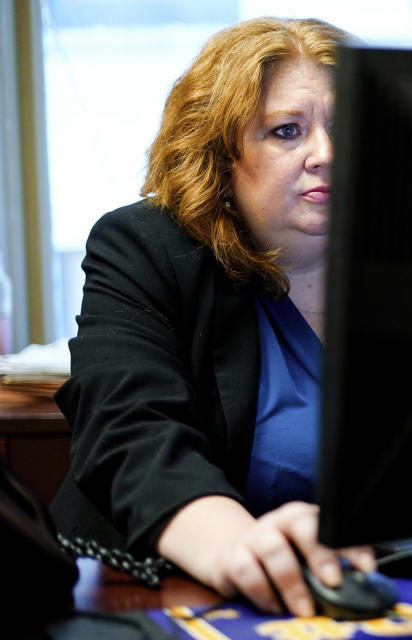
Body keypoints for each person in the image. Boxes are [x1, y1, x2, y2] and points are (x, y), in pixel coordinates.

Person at [50, 17, 374, 619]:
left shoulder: (409, 263)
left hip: (371, 588)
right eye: (286, 131)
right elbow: (129, 431)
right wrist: (236, 545)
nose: (326, 155)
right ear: (221, 159)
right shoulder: (144, 247)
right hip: (156, 592)